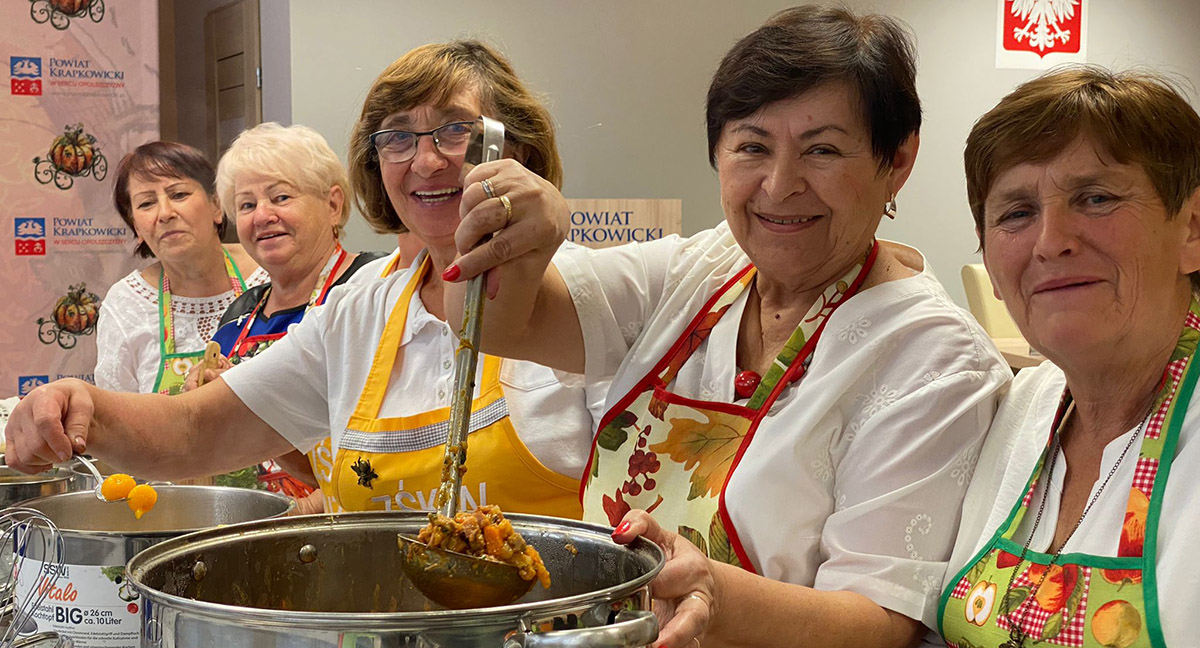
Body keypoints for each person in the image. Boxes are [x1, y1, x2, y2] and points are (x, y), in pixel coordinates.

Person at [441, 6, 1010, 647]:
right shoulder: (703, 270)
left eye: (822, 150)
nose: (780, 184)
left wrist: (713, 590)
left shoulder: (934, 360)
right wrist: (519, 231)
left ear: (897, 161)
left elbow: (878, 625)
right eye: (752, 147)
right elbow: (495, 325)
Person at [3, 40, 599, 521]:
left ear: (514, 144)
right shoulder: (358, 313)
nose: (424, 161)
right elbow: (197, 429)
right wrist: (81, 407)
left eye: (455, 130)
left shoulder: (589, 299)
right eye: (397, 136)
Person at [938, 67, 1200, 648]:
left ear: (1192, 229)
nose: (1050, 239)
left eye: (1096, 198)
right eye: (1016, 212)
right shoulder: (1023, 405)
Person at [187, 122, 384, 505]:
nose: (262, 216)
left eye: (280, 198)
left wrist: (300, 513)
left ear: (333, 205)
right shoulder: (238, 316)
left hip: (341, 524)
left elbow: (387, 454)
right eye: (246, 205)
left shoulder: (374, 288)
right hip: (247, 528)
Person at [95, 141, 265, 395]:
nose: (165, 213)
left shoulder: (270, 275)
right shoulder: (126, 306)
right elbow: (117, 421)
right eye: (146, 204)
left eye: (179, 195)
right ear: (136, 228)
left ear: (217, 206)